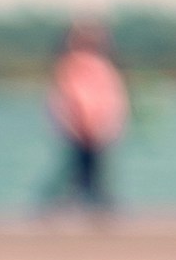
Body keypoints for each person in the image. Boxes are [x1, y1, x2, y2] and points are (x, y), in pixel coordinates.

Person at [38, 21, 129, 212]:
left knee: (88, 170)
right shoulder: (73, 65)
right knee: (80, 169)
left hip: (94, 129)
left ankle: (94, 204)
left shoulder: (99, 66)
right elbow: (70, 98)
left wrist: (105, 125)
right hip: (81, 129)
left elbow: (110, 99)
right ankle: (84, 203)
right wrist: (76, 124)